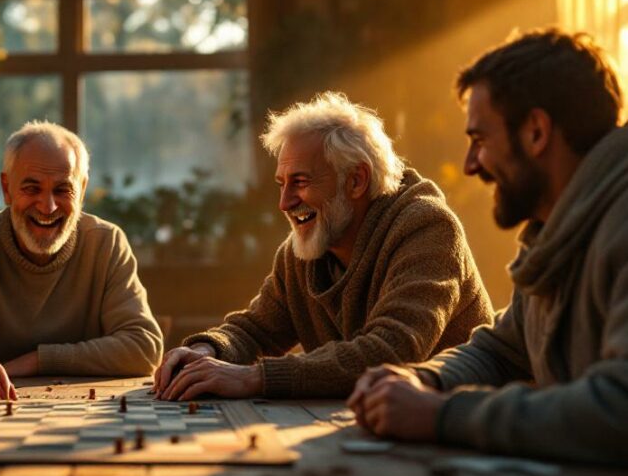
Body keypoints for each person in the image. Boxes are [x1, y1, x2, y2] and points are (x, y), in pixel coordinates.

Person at [348, 29, 628, 464]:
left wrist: (442, 415)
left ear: (536, 132)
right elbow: (501, 351)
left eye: (480, 140)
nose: (470, 165)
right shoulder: (556, 236)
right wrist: (420, 380)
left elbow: (618, 407)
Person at [155, 92, 493, 401]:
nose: (284, 203)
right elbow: (256, 328)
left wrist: (256, 378)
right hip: (371, 427)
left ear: (356, 180)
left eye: (300, 182)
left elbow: (393, 350)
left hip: (462, 437)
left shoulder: (427, 227)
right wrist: (206, 351)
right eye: (281, 184)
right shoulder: (302, 250)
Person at [0, 121, 162, 398]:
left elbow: (143, 346)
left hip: (82, 410)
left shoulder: (106, 243)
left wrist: (38, 360)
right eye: (32, 188)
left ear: (83, 190)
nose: (48, 206)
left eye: (63, 190)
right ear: (6, 188)